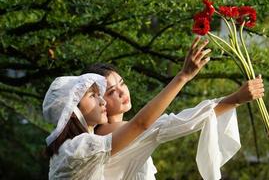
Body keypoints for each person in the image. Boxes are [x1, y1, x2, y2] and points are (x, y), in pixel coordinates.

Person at [82, 39, 265, 180]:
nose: (122, 92)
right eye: (112, 91)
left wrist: (235, 100)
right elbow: (162, 125)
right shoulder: (105, 133)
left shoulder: (121, 129)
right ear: (99, 100)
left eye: (122, 83)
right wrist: (234, 99)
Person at [42, 36, 211, 179]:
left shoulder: (81, 145)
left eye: (121, 84)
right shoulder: (77, 148)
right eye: (93, 96)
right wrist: (182, 77)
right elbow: (142, 124)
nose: (102, 102)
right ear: (72, 112)